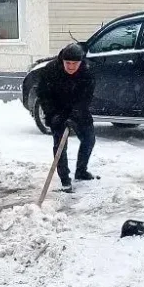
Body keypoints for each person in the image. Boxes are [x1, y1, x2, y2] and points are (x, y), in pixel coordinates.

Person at [36, 43, 97, 192]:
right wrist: (52, 115)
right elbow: (43, 95)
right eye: (67, 63)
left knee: (89, 139)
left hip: (78, 109)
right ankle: (65, 179)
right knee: (60, 144)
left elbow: (86, 97)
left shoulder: (87, 72)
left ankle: (81, 171)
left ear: (80, 62)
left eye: (74, 63)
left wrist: (76, 112)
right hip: (57, 109)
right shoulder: (50, 70)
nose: (70, 67)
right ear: (62, 60)